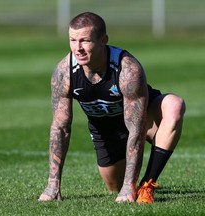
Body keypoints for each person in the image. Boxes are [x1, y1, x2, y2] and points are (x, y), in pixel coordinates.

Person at [38, 12, 185, 204]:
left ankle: (146, 186)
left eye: (85, 41)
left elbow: (136, 129)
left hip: (143, 121)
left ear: (103, 40)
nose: (77, 48)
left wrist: (129, 186)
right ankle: (125, 181)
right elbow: (60, 128)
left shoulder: (127, 69)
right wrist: (52, 185)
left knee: (174, 105)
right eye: (72, 40)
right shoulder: (64, 73)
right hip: (106, 132)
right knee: (114, 187)